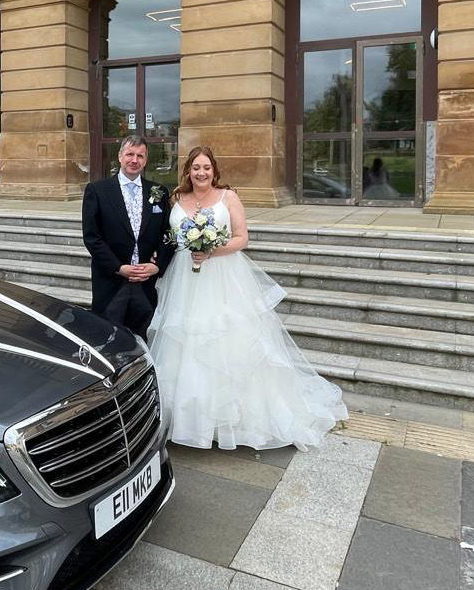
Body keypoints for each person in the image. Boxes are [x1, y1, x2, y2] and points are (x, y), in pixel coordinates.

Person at [147, 146, 347, 451]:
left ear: (214, 171)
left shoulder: (228, 197)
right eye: (196, 168)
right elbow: (168, 237)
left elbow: (242, 237)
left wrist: (213, 250)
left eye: (207, 168)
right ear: (188, 170)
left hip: (223, 277)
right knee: (182, 344)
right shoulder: (177, 198)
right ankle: (189, 421)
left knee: (227, 343)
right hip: (184, 279)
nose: (201, 173)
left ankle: (229, 421)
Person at [81, 135, 176, 336]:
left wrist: (157, 266)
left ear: (146, 160)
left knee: (145, 336)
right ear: (120, 156)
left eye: (140, 156)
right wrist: (119, 268)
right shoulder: (97, 190)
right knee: (107, 337)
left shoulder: (158, 191)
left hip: (146, 283)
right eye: (130, 154)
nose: (135, 160)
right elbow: (92, 236)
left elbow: (169, 234)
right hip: (111, 282)